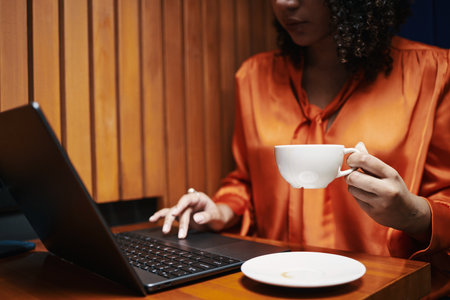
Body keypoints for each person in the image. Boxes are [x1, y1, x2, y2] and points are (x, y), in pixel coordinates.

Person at [150, 0, 449, 297]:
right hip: (270, 285)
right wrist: (222, 210)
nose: (285, 3)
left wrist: (413, 215)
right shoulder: (253, 77)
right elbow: (246, 181)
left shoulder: (433, 72)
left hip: (383, 289)